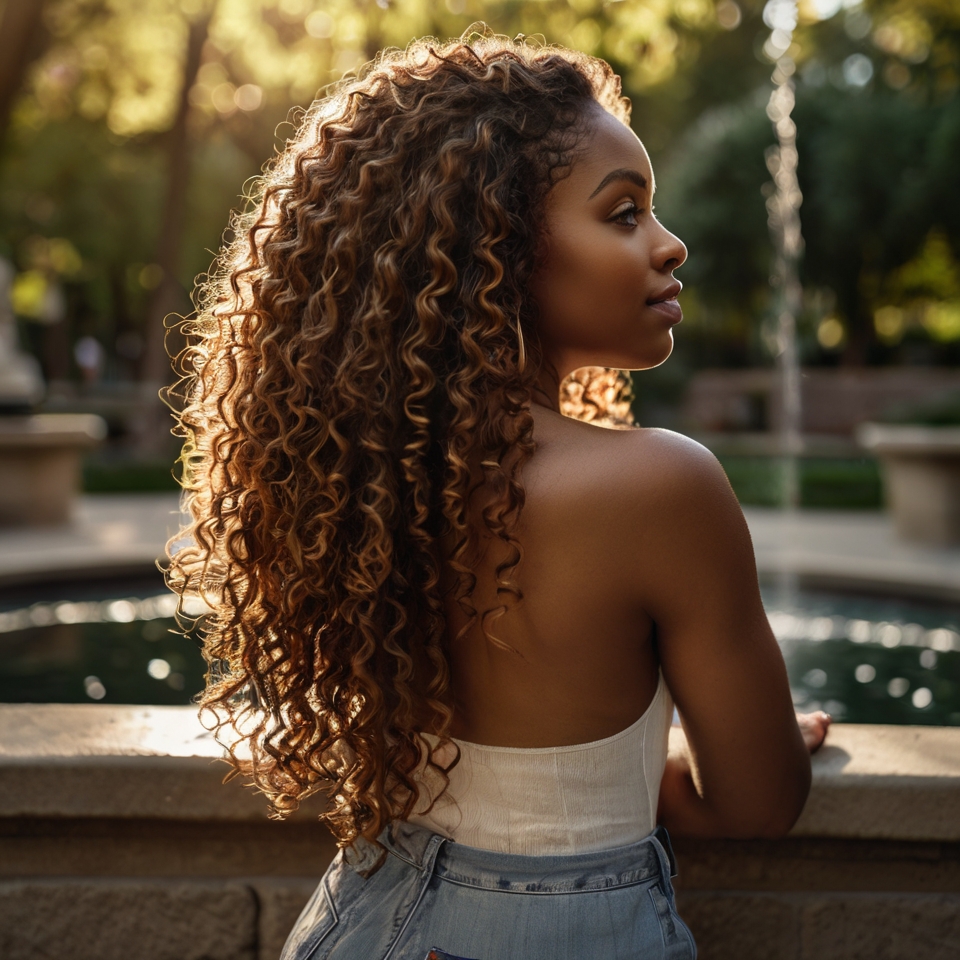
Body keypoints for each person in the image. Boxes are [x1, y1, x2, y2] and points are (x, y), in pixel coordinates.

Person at [168, 30, 831, 960]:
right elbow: (759, 803)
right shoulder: (661, 486)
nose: (669, 244)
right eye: (623, 213)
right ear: (498, 249)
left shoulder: (377, 490)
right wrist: (751, 744)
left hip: (358, 918)